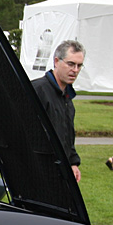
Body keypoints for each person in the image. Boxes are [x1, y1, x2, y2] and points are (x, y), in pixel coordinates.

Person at [32, 40, 85, 182]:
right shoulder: (38, 90)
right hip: (38, 171)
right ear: (56, 61)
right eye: (71, 64)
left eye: (79, 65)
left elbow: (67, 135)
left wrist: (73, 162)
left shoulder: (67, 96)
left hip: (60, 170)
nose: (75, 70)